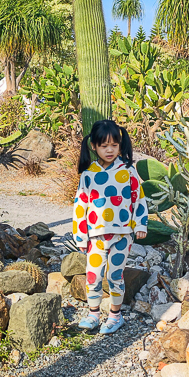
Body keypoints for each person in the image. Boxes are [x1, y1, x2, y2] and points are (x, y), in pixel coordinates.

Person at [72, 119, 147, 334]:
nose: (109, 150)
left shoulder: (128, 171)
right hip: (96, 236)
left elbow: (138, 198)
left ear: (120, 146)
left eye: (114, 145)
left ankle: (115, 316)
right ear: (93, 146)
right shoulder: (88, 174)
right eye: (104, 146)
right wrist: (80, 235)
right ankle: (93, 314)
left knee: (115, 275)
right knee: (93, 275)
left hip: (122, 235)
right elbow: (80, 206)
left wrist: (140, 224)